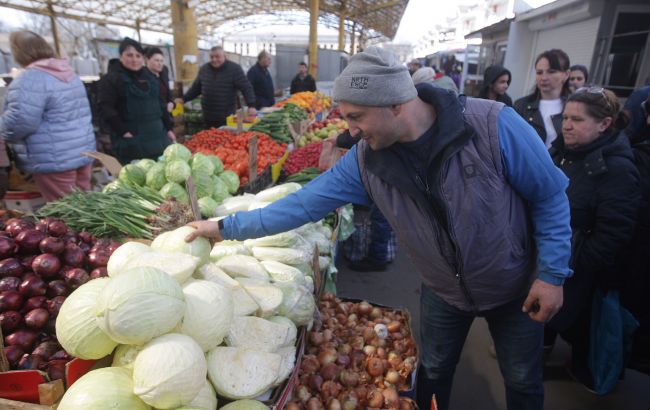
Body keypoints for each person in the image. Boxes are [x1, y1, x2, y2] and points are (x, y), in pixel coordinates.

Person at [185, 46, 573, 410]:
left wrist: (552, 274)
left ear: (395, 104)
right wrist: (224, 227)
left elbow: (550, 195)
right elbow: (302, 205)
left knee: (521, 379)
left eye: (356, 117)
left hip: (515, 285)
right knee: (434, 372)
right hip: (443, 293)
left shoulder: (493, 126)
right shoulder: (365, 162)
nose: (350, 131)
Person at [546, 87, 640, 389]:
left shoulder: (618, 169)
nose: (567, 125)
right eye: (566, 118)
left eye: (577, 119)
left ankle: (584, 374)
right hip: (552, 261)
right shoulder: (560, 152)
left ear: (604, 124)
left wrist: (573, 263)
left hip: (581, 274)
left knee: (580, 333)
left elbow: (614, 233)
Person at [0, 31, 96, 201]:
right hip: (83, 152)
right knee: (85, 206)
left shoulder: (30, 79)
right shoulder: (68, 72)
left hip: (54, 159)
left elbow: (20, 122)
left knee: (66, 212)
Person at [98, 38, 174, 165]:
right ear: (121, 56)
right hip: (132, 142)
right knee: (137, 178)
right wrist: (123, 131)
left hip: (158, 138)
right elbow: (105, 108)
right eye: (129, 55)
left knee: (160, 175)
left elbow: (160, 104)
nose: (134, 59)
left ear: (143, 58)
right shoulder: (111, 79)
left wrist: (168, 128)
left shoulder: (151, 77)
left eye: (138, 56)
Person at [182, 46, 256, 129]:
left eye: (217, 57)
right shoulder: (204, 69)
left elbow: (246, 87)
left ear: (224, 56)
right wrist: (183, 99)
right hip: (208, 115)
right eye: (211, 57)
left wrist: (251, 105)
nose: (214, 59)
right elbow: (195, 89)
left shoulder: (234, 69)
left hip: (226, 116)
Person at [515, 49, 571, 148]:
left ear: (566, 74)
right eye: (539, 72)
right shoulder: (521, 105)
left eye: (551, 72)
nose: (544, 78)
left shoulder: (575, 108)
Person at [144, 47, 174, 116]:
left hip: (167, 115)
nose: (160, 63)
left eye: (161, 61)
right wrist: (164, 106)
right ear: (147, 60)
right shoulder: (143, 76)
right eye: (156, 60)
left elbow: (168, 92)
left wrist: (172, 103)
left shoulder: (164, 72)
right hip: (153, 115)